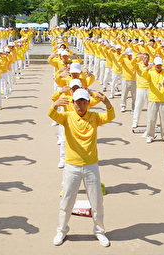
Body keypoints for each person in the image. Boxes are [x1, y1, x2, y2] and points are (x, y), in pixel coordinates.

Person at [48, 88, 114, 247]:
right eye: (78, 102)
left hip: (91, 165)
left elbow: (110, 116)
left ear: (88, 103)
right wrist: (55, 104)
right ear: (72, 103)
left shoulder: (95, 117)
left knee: (96, 201)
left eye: (84, 102)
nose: (81, 106)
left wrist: (107, 103)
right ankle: (61, 230)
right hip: (72, 165)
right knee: (67, 200)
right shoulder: (67, 117)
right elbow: (51, 114)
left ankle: (99, 231)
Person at [142, 56, 164, 143]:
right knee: (151, 118)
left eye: (160, 65)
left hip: (163, 99)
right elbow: (144, 75)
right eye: (157, 65)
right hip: (153, 98)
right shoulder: (150, 72)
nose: (159, 67)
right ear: (154, 65)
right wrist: (147, 69)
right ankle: (150, 135)